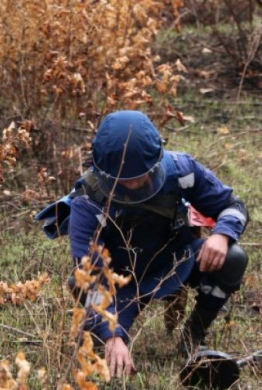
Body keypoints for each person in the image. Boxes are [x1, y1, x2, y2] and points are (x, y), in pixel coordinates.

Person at [49, 110, 249, 378]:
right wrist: (111, 335)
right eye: (124, 178)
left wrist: (221, 235)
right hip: (119, 282)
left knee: (233, 258)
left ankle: (193, 337)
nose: (132, 184)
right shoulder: (88, 200)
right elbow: (89, 278)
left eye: (140, 175)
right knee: (99, 359)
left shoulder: (181, 170)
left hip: (176, 261)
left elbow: (232, 206)